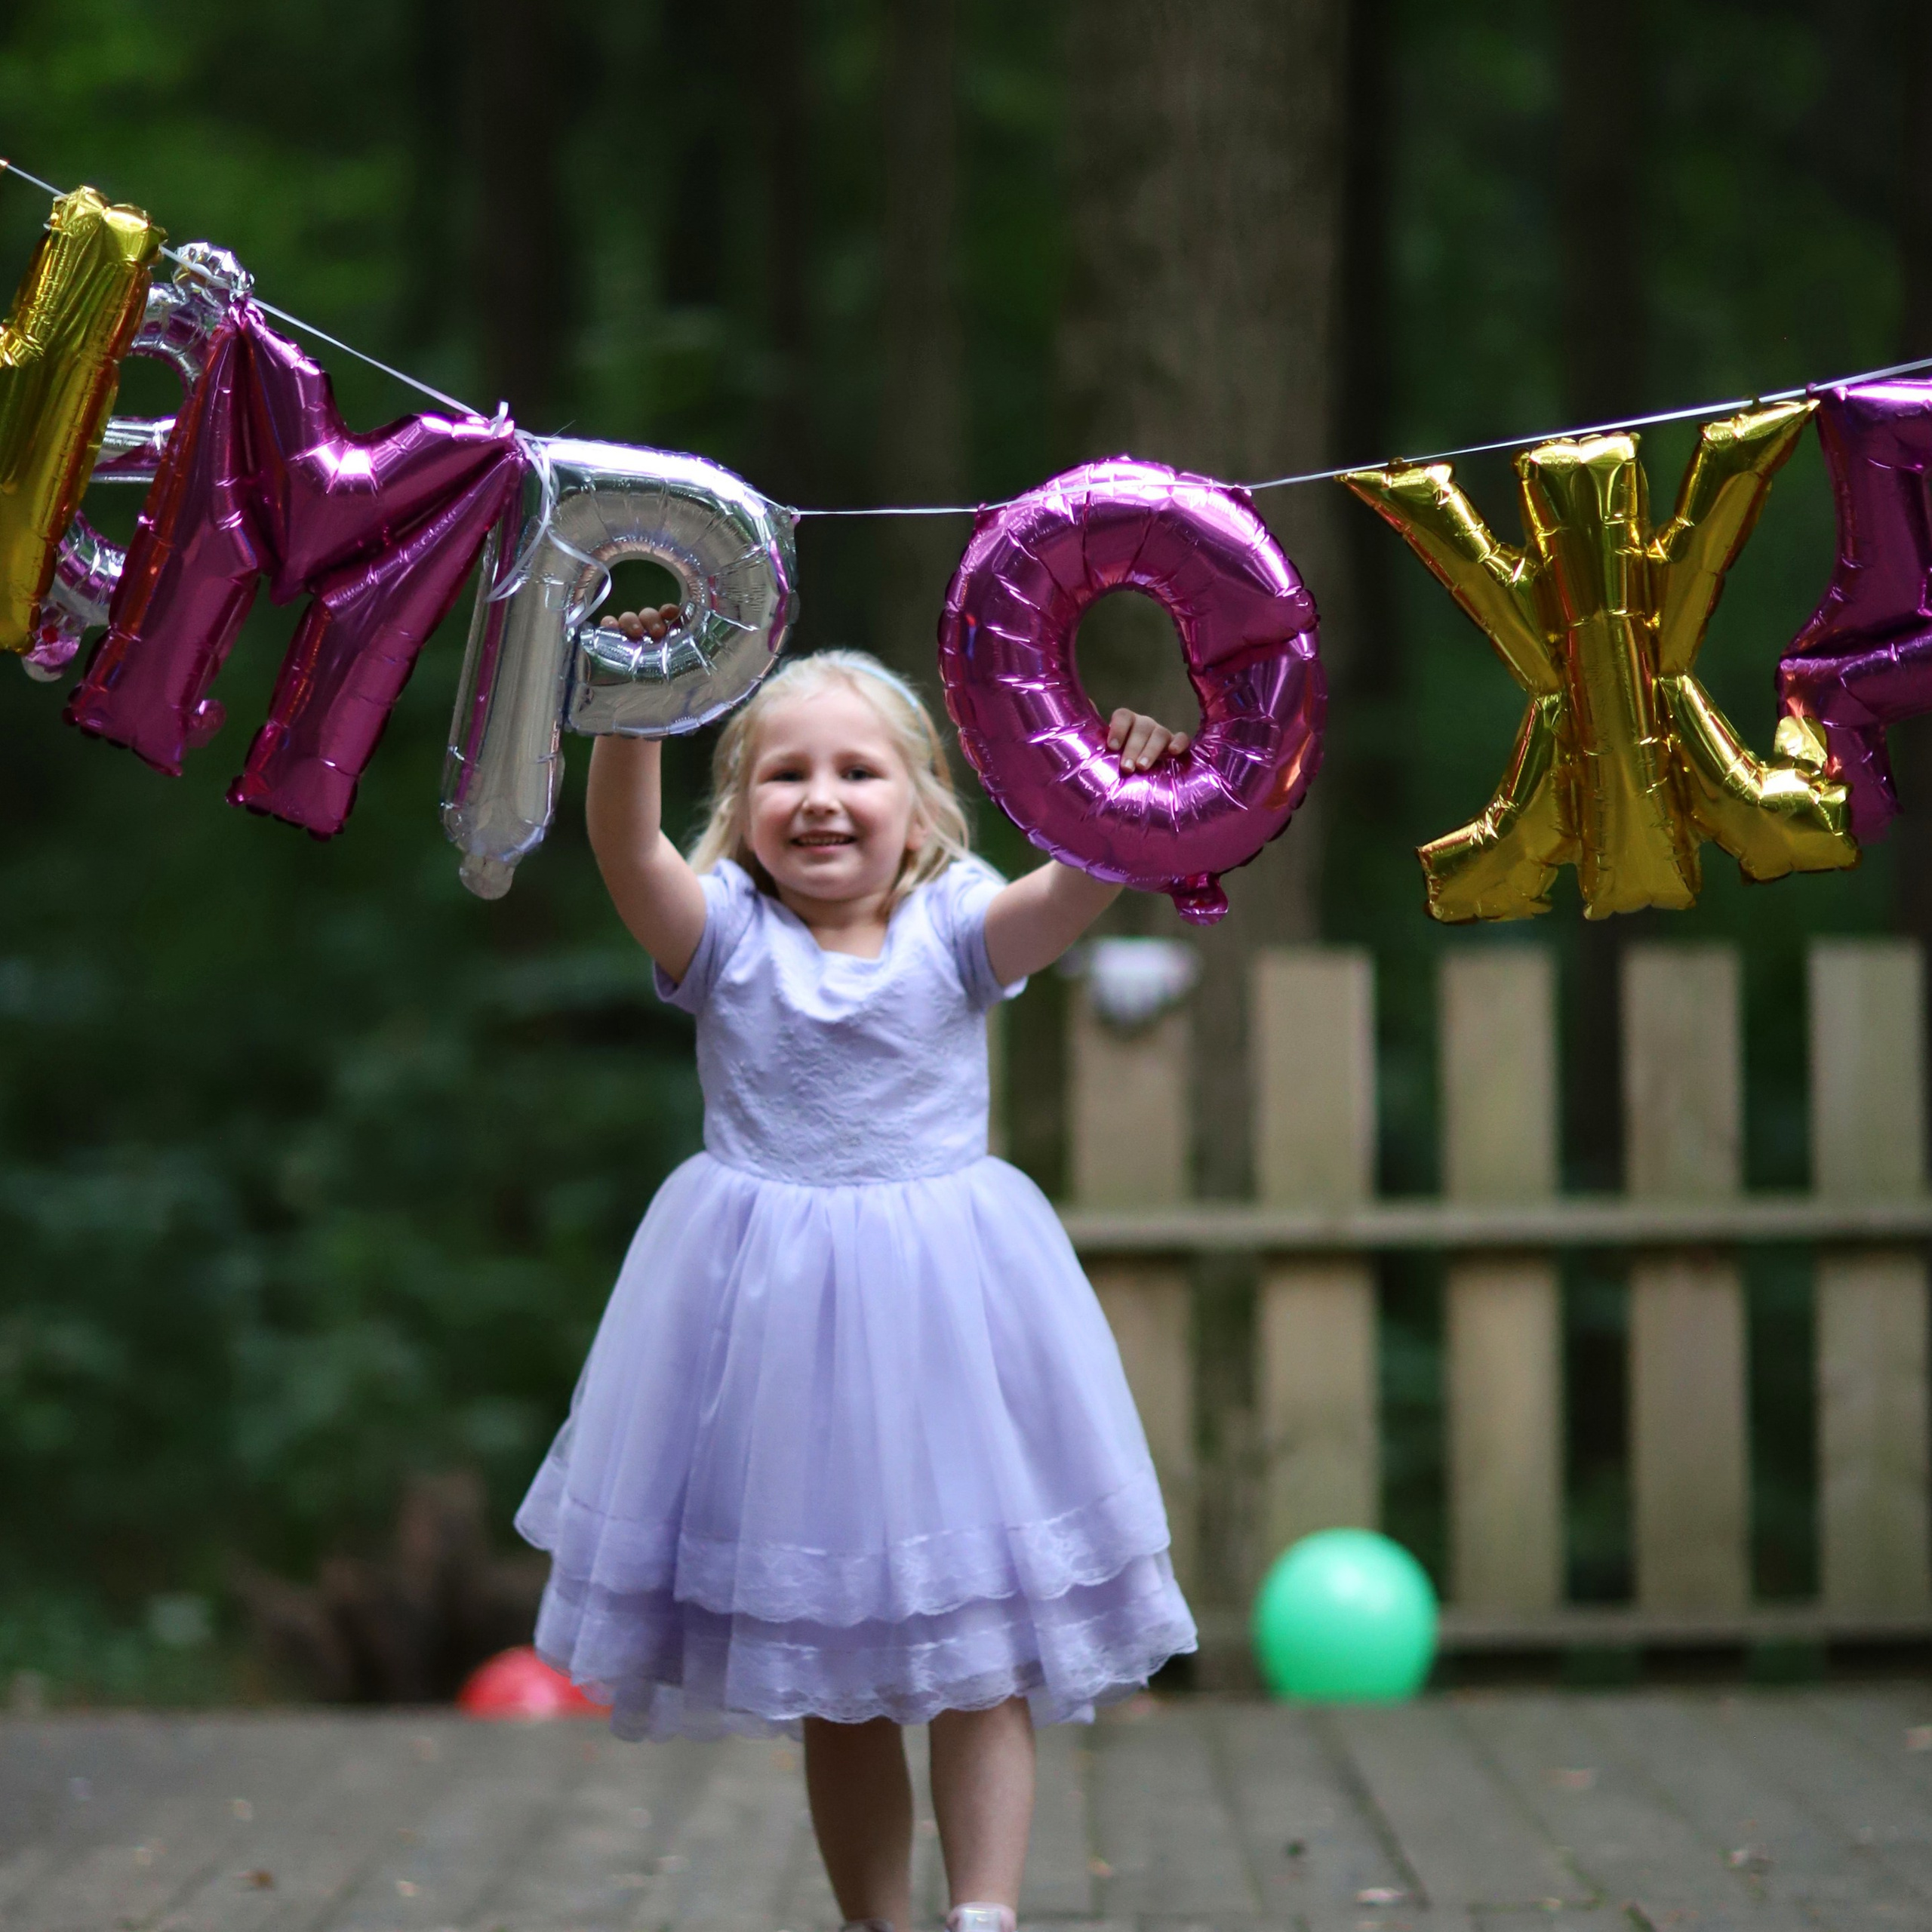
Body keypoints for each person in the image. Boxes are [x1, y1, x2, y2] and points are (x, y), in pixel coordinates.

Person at [516, 643, 1198, 1932]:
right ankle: (877, 1920)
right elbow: (626, 849)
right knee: (839, 1672)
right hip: (778, 1353)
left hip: (945, 1336)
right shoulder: (722, 937)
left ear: (922, 799)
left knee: (977, 1649)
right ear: (739, 805)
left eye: (857, 770)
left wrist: (1117, 800)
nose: (821, 797)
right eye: (784, 773)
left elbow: (1064, 901)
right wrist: (634, 709)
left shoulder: (955, 929)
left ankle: (982, 1914)